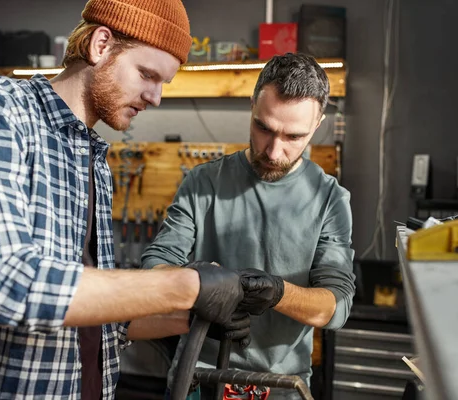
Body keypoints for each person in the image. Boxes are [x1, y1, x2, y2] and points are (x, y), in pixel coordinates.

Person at [0, 1, 245, 399]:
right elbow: (9, 283)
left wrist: (197, 313)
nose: (156, 97)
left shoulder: (95, 160)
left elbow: (105, 319)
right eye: (147, 74)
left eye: (164, 83)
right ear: (101, 45)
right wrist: (184, 285)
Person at [139, 52, 356, 399]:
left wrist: (279, 292)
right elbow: (155, 266)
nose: (273, 151)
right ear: (252, 105)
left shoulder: (330, 199)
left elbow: (334, 306)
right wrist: (205, 294)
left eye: (294, 137)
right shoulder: (202, 183)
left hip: (281, 386)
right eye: (264, 128)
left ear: (317, 125)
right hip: (199, 378)